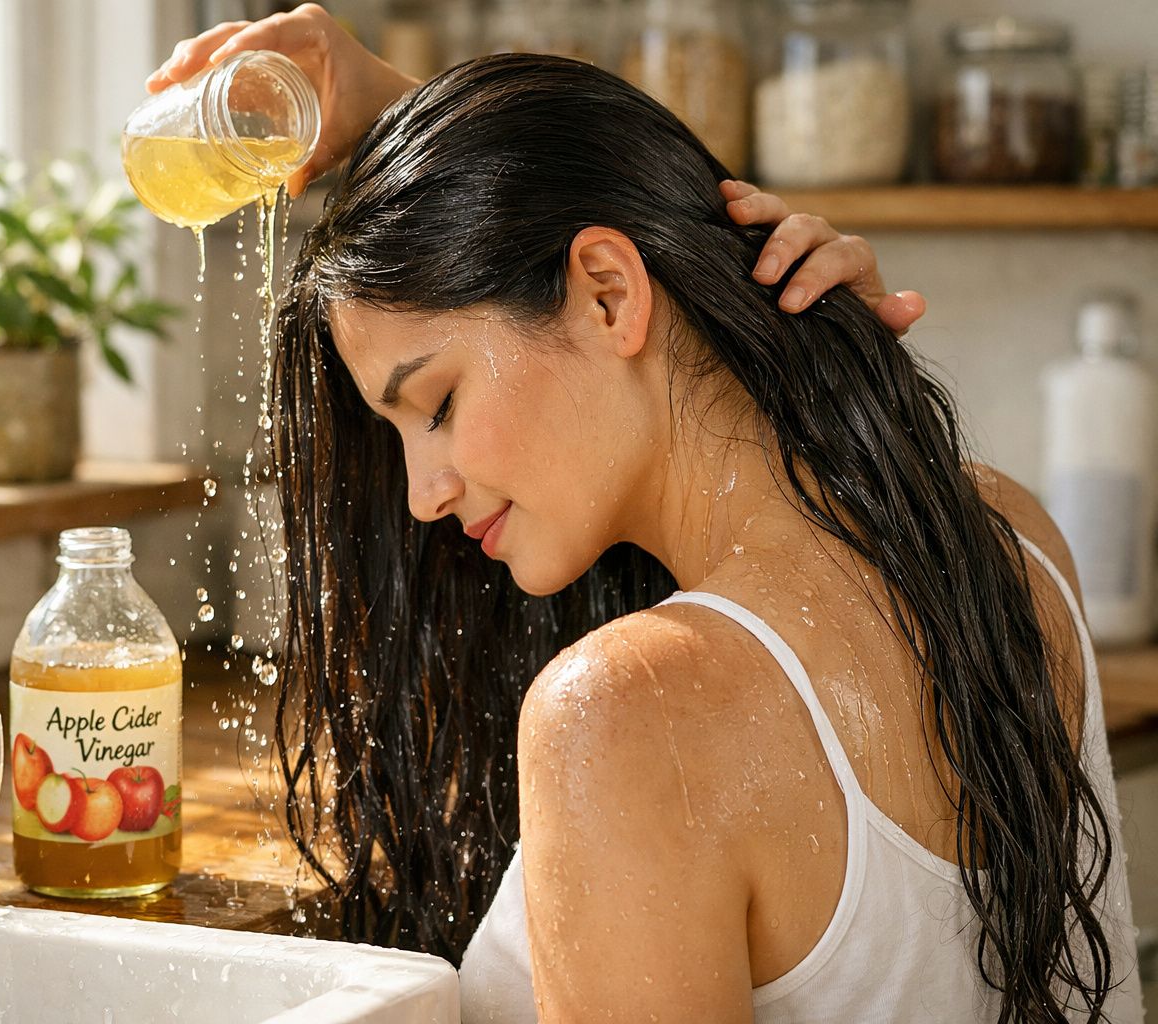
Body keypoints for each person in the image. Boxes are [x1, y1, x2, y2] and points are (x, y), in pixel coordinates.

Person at [153, 7, 1141, 1022]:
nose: (422, 493)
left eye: (438, 405)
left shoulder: (625, 717)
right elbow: (574, 245)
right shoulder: (1010, 539)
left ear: (612, 297)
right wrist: (414, 125)